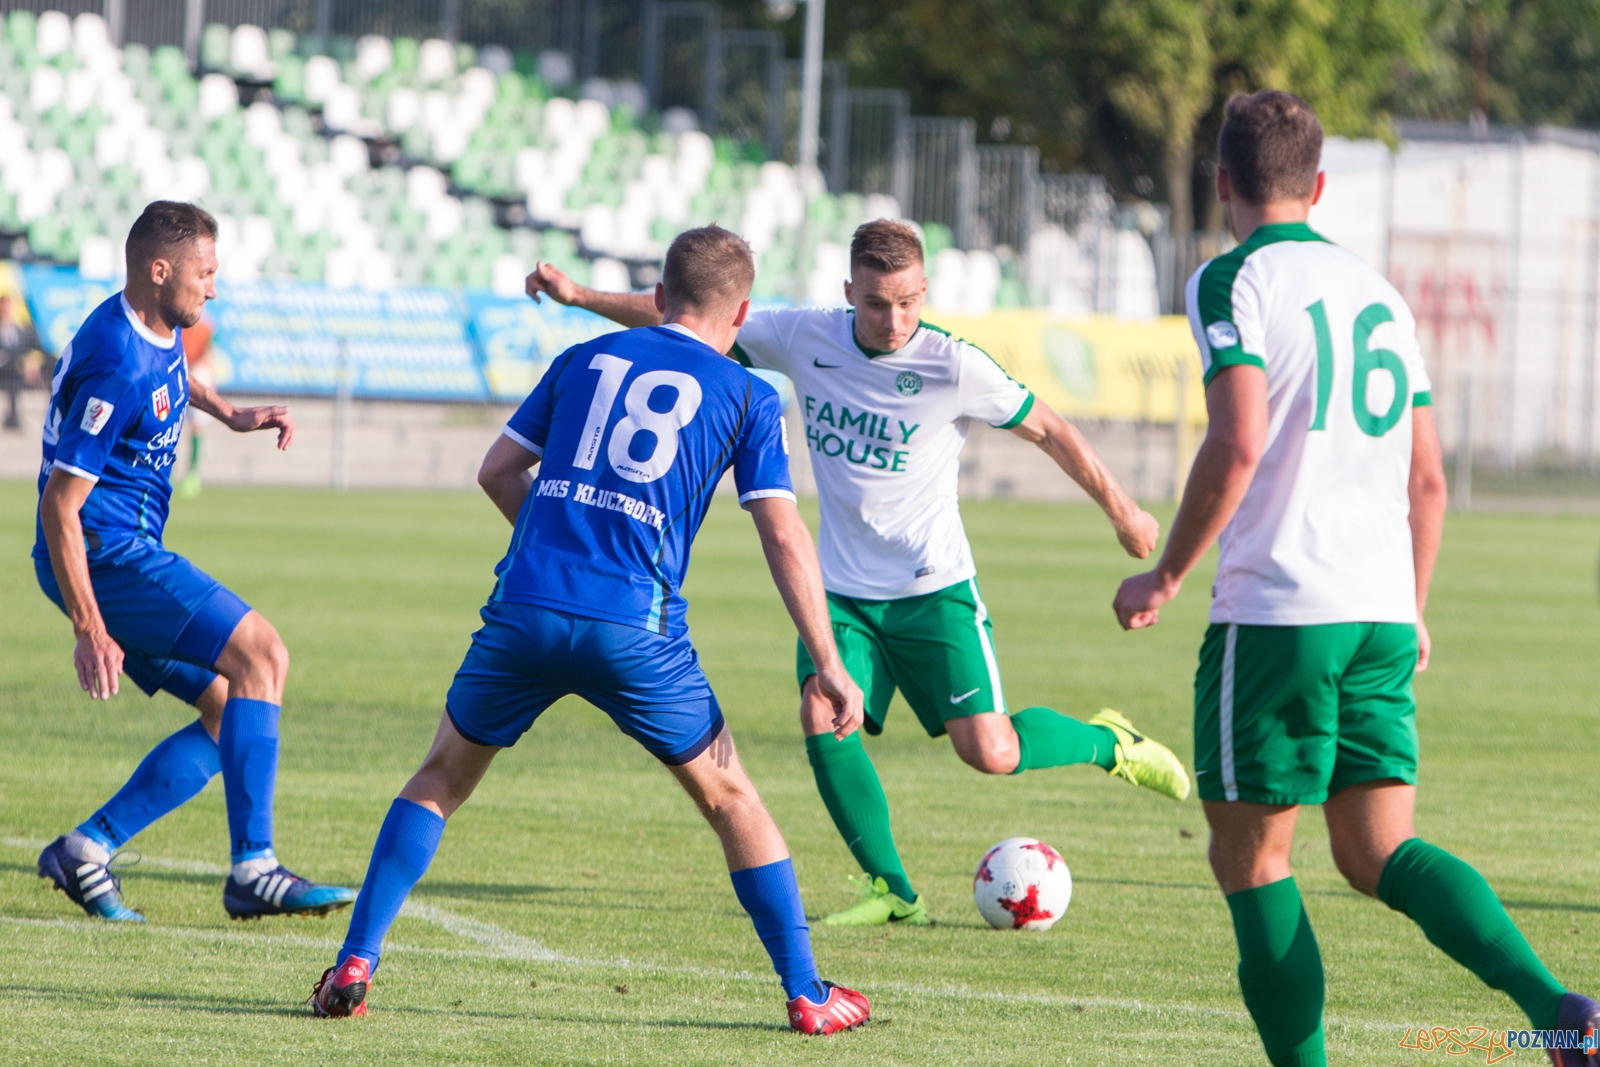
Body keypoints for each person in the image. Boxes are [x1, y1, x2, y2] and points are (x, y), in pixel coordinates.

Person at [1113, 90, 1598, 1067]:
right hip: (1378, 608)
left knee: (1252, 856)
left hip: (1282, 609)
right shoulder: (1376, 289)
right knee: (1377, 850)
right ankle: (1559, 1011)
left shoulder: (1229, 278)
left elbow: (1238, 437)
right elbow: (1428, 476)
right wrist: (1410, 608)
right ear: (1318, 184)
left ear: (1221, 184)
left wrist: (1165, 572)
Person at [524, 218, 1188, 928]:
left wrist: (1123, 511)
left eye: (907, 302)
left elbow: (1050, 427)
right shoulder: (806, 336)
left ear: (924, 290)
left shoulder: (953, 364)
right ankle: (893, 888)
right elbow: (684, 316)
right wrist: (578, 296)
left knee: (990, 751)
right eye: (875, 303)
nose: (893, 318)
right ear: (850, 292)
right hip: (839, 593)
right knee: (821, 712)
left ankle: (1109, 740)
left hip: (933, 591)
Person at [309, 226, 873, 1035]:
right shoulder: (750, 396)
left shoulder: (582, 360)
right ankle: (808, 994)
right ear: (742, 311)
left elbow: (497, 470)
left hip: (526, 608)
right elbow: (783, 533)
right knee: (730, 797)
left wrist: (547, 546)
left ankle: (357, 959)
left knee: (440, 777)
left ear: (657, 295)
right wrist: (828, 661)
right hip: (636, 631)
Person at [34, 201, 355, 923]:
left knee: (226, 706)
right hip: (103, 555)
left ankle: (86, 848)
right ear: (160, 270)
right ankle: (255, 866)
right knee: (262, 655)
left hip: (123, 552)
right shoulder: (114, 358)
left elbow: (174, 377)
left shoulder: (155, 325)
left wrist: (231, 414)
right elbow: (61, 505)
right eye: (204, 273)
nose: (213, 288)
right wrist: (91, 626)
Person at [175, 313, 214, 498]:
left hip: (192, 371)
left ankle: (191, 473)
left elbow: (207, 353)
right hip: (185, 368)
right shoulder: (183, 322)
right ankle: (182, 471)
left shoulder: (204, 326)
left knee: (194, 426)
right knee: (176, 422)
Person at [0, 292, 41, 431]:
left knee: (18, 373)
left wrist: (31, 362)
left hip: (15, 369)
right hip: (3, 368)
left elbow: (26, 348)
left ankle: (13, 416)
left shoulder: (18, 328)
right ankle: (12, 416)